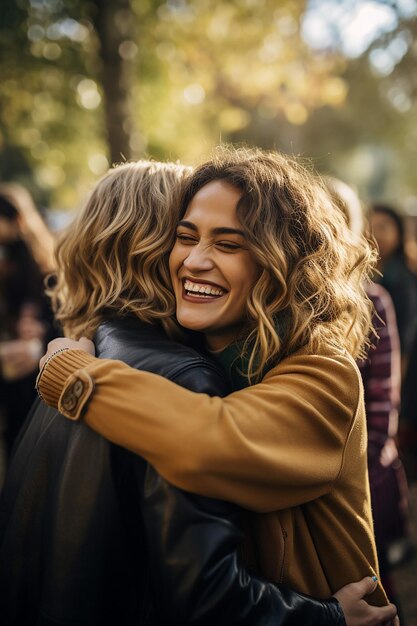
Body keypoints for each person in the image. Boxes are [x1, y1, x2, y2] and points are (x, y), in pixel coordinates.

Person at [37, 147, 398, 625]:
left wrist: (76, 377)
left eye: (227, 244)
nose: (194, 260)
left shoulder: (323, 371)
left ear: (279, 263)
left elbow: (210, 440)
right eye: (186, 237)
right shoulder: (198, 355)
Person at [327, 178, 410, 620]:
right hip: (315, 478)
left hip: (364, 475)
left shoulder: (374, 300)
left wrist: (360, 465)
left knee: (374, 584)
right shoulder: (293, 296)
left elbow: (382, 400)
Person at [0, 183, 56, 459]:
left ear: (17, 221)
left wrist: (40, 337)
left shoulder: (44, 268)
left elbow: (59, 319)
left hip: (35, 374)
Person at [369, 203, 417, 373]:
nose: (375, 234)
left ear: (398, 233)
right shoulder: (364, 275)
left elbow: (406, 338)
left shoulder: (404, 280)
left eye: (382, 227)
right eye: (371, 227)